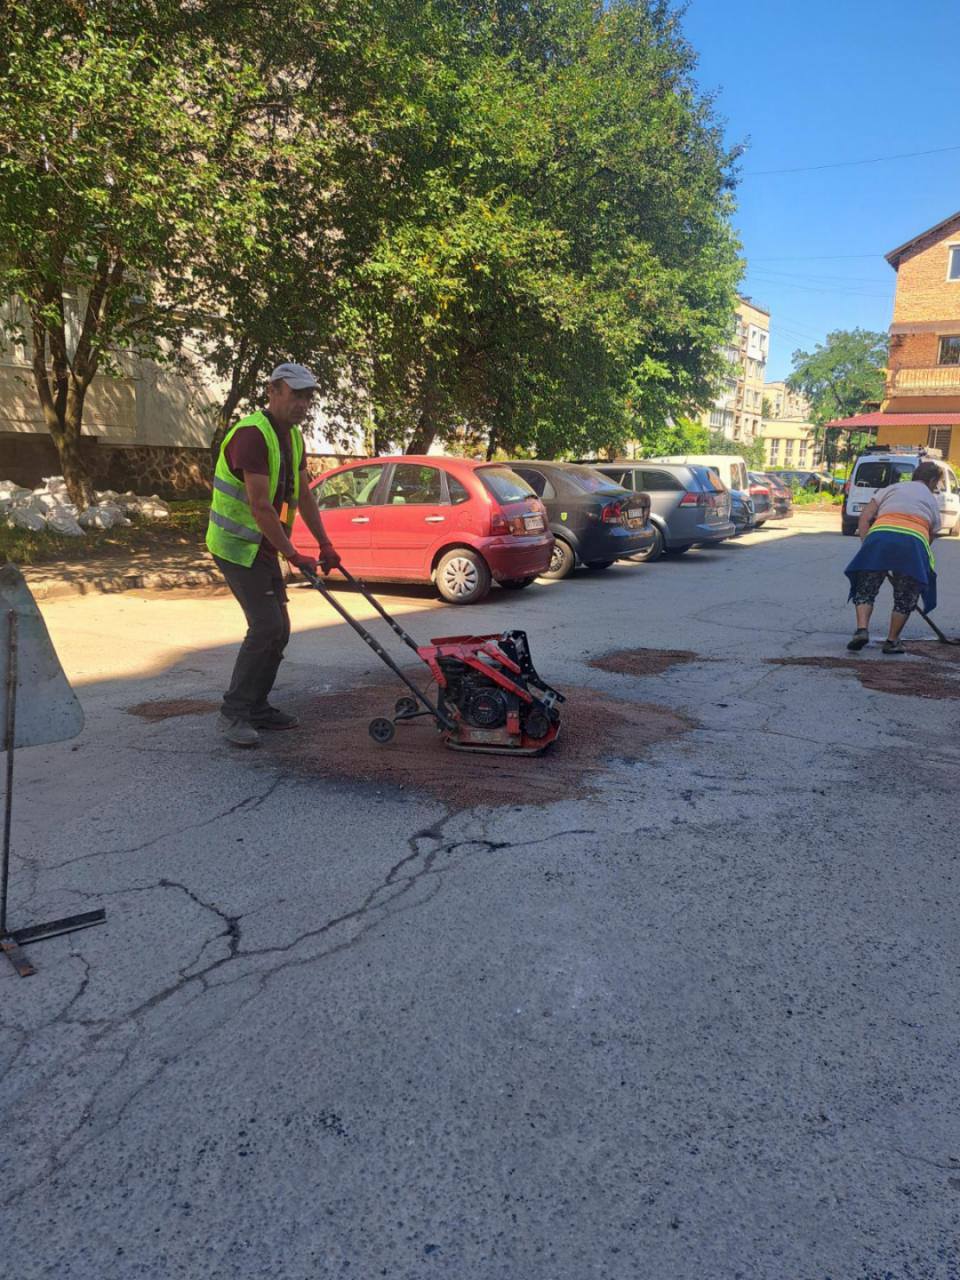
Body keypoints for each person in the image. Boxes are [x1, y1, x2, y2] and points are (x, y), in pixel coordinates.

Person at [206, 362, 341, 746]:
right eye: (296, 395)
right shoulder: (251, 435)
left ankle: (257, 707)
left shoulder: (293, 437)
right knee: (266, 626)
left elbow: (304, 495)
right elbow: (260, 506)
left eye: (308, 397)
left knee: (280, 629)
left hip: (263, 546)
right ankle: (234, 713)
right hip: (236, 546)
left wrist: (326, 544)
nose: (303, 404)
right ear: (273, 391)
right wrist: (295, 555)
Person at [844, 459, 941, 654]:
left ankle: (862, 630)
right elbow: (931, 534)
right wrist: (911, 562)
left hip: (879, 538)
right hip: (912, 544)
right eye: (936, 483)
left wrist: (868, 547)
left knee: (866, 589)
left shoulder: (892, 488)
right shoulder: (931, 499)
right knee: (905, 596)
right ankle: (892, 640)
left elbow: (865, 518)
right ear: (931, 481)